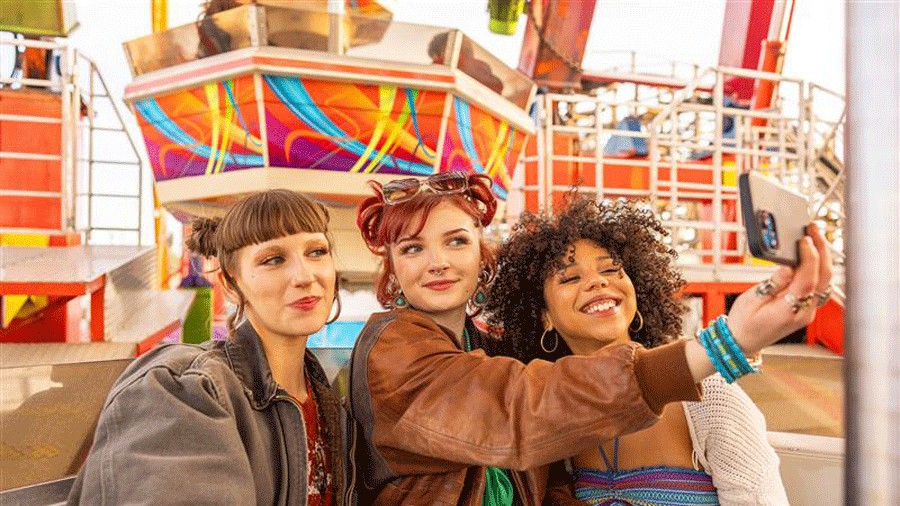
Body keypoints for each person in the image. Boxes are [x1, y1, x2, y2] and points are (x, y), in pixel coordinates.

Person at [347, 170, 831, 505]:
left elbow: (548, 481)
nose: (438, 261)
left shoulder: (494, 353)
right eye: (412, 248)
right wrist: (724, 345)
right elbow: (520, 405)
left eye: (456, 240)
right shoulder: (394, 351)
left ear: (482, 256)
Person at [486, 197, 801, 505]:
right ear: (545, 316)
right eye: (570, 277)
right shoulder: (551, 418)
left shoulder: (707, 398)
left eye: (611, 270)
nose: (597, 282)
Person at [67, 189, 346, 505]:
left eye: (317, 252)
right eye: (274, 259)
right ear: (231, 283)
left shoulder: (328, 402)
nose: (305, 276)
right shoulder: (184, 390)